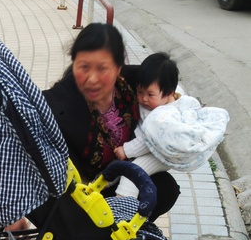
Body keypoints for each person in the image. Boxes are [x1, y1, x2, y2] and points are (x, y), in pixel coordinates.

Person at [42, 23, 181, 222]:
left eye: (102, 68)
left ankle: (129, 231)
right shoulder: (61, 103)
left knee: (165, 188)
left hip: (121, 178)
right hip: (84, 191)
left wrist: (174, 103)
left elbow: (164, 82)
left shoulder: (132, 81)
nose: (92, 79)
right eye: (84, 66)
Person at [115, 52, 229, 197]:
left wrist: (126, 150)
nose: (143, 99)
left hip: (160, 154)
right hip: (154, 147)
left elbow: (148, 139)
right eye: (139, 92)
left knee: (131, 175)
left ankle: (121, 212)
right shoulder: (165, 95)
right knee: (121, 170)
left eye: (150, 95)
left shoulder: (164, 117)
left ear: (169, 93)